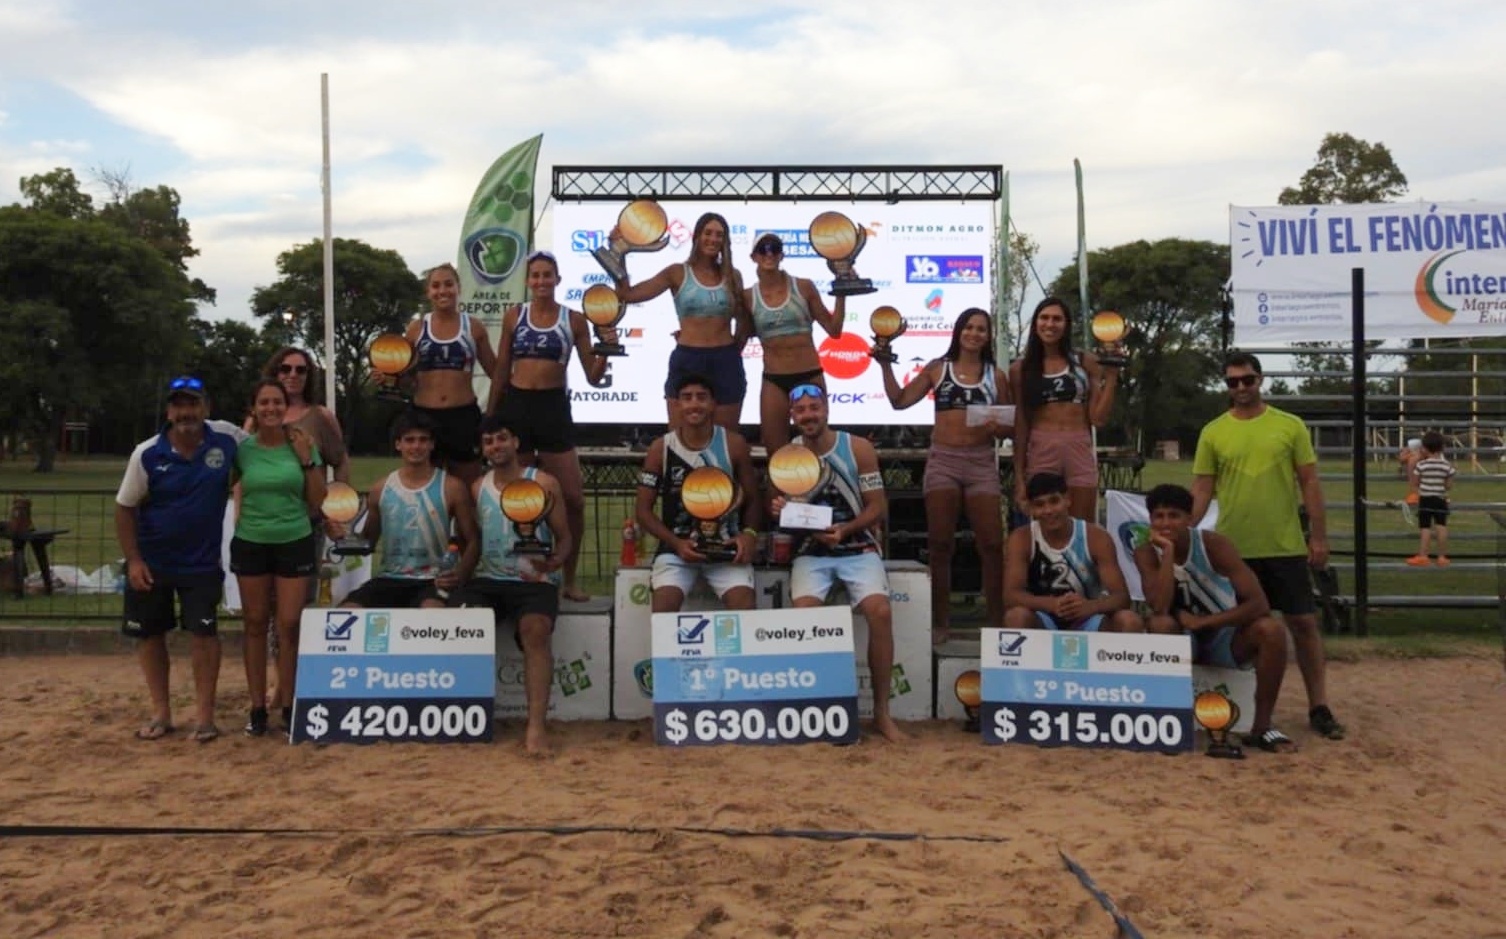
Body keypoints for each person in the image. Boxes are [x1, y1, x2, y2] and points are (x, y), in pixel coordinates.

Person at [1192, 352, 1345, 741]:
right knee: (1249, 630)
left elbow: (1309, 482)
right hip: (1234, 549)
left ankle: (1319, 705)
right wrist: (1183, 533)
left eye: (1247, 379)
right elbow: (1202, 488)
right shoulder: (1213, 432)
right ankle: (1252, 713)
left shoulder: (1289, 425)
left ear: (1260, 380)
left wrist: (1319, 535)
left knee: (1304, 625)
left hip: (1284, 544)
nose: (1241, 387)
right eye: (1232, 382)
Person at [769, 384, 906, 742]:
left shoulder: (857, 448)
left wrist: (846, 530)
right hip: (811, 550)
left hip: (858, 545)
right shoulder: (788, 457)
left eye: (814, 407)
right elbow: (789, 515)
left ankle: (881, 713)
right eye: (801, 410)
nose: (808, 415)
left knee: (880, 611)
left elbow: (877, 507)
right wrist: (782, 510)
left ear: (827, 409)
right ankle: (817, 709)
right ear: (792, 416)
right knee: (805, 617)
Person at [115, 377, 241, 744]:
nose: (186, 412)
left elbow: (266, 446)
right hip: (152, 562)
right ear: (169, 412)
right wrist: (134, 560)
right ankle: (161, 713)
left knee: (204, 635)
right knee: (150, 635)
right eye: (178, 406)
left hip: (201, 563)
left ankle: (205, 718)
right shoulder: (146, 453)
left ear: (206, 408)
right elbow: (124, 508)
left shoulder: (227, 440)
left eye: (193, 404)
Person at [878, 308, 1012, 643]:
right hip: (944, 461)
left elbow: (1011, 423)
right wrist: (884, 365)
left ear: (988, 336)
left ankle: (997, 623)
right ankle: (940, 622)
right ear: (958, 331)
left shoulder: (996, 376)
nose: (974, 334)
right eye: (969, 327)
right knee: (940, 544)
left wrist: (999, 427)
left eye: (981, 329)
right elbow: (899, 401)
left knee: (992, 545)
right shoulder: (939, 368)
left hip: (981, 463)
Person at [486, 250, 613, 601]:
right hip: (518, 407)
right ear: (528, 281)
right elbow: (501, 369)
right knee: (518, 496)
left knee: (573, 499)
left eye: (547, 275)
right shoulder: (515, 316)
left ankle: (569, 579)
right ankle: (515, 574)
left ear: (558, 279)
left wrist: (607, 347)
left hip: (553, 409)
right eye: (536, 275)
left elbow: (593, 376)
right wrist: (491, 416)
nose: (541, 281)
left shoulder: (574, 320)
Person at [1134, 484, 1294, 753]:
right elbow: (1159, 607)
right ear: (1150, 520)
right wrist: (1168, 554)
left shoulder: (1214, 545)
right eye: (1159, 516)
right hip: (1183, 640)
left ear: (1189, 518)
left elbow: (1259, 604)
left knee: (1272, 630)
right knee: (1160, 624)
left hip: (1224, 635)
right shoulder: (1146, 552)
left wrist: (1206, 622)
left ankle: (1262, 727)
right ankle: (1170, 722)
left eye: (1174, 516)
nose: (1166, 523)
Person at [452, 414, 572, 754]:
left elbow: (565, 537)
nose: (496, 446)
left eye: (502, 438)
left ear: (516, 442)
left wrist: (555, 562)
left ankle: (535, 727)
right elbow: (473, 542)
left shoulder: (544, 483)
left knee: (536, 630)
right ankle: (464, 715)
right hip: (489, 579)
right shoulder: (478, 488)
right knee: (456, 620)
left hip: (534, 580)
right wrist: (458, 575)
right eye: (489, 441)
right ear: (483, 449)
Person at [232, 379, 326, 737]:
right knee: (255, 623)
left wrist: (305, 461)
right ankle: (257, 708)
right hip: (251, 541)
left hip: (294, 540)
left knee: (289, 624)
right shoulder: (242, 450)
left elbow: (317, 498)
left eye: (277, 402)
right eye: (264, 402)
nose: (271, 408)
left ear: (286, 407)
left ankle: (289, 705)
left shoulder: (302, 443)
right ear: (254, 408)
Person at [636, 374, 762, 614]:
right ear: (677, 405)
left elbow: (753, 499)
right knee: (663, 608)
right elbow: (643, 511)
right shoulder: (661, 448)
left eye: (702, 397)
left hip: (725, 547)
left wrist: (748, 535)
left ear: (713, 404)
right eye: (687, 397)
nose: (694, 404)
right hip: (677, 550)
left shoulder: (733, 444)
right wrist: (676, 543)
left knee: (744, 606)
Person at [614, 211, 752, 430]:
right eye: (708, 233)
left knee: (725, 437)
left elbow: (743, 321)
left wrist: (733, 351)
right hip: (688, 359)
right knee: (680, 438)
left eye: (719, 235)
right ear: (697, 236)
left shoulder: (733, 276)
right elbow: (628, 295)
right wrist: (619, 253)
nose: (713, 239)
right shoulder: (677, 273)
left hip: (725, 360)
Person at [336, 411, 479, 607]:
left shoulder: (451, 487)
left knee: (431, 612)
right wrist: (342, 537)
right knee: (349, 611)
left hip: (433, 580)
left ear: (432, 444)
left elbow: (473, 540)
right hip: (390, 578)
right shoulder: (381, 489)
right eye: (409, 440)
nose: (416, 446)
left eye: (423, 440)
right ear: (398, 444)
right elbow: (367, 543)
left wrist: (460, 574)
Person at [1009, 297, 1120, 521]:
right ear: (1035, 323)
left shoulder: (1084, 361)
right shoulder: (1021, 368)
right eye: (1044, 318)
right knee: (1045, 520)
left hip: (1078, 444)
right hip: (1042, 446)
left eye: (1057, 319)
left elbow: (1098, 419)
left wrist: (1111, 377)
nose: (1050, 324)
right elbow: (1020, 424)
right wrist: (1019, 479)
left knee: (1082, 523)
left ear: (1067, 325)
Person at [743, 232, 845, 453]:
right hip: (774, 379)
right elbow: (739, 337)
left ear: (782, 255)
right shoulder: (748, 296)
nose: (769, 254)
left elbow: (834, 330)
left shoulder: (804, 287)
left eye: (775, 249)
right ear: (753, 256)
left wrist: (842, 291)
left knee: (819, 448)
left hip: (809, 372)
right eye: (763, 249)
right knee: (775, 452)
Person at [1003, 472, 1142, 633]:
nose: (1048, 510)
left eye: (1054, 501)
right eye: (1039, 505)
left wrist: (1090, 606)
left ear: (1067, 499)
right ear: (1031, 509)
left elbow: (1122, 598)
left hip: (1089, 618)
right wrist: (1051, 604)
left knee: (1129, 620)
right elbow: (1011, 596)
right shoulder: (1022, 539)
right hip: (1043, 618)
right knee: (1016, 616)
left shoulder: (1096, 537)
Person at [403, 262, 498, 484]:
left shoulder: (473, 327)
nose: (442, 291)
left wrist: (491, 413)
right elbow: (405, 380)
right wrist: (389, 377)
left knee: (467, 489)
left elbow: (496, 374)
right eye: (436, 286)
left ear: (458, 288)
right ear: (428, 292)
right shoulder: (416, 329)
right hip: (424, 416)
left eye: (448, 284)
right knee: (425, 487)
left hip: (462, 417)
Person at [1409, 430, 1456, 567]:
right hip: (1440, 499)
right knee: (1441, 526)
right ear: (1441, 448)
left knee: (1425, 527)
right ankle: (1442, 557)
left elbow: (1415, 482)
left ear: (1424, 448)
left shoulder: (1421, 465)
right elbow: (1448, 486)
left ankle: (1423, 556)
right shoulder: (1447, 466)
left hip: (1425, 499)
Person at [1398, 437, 1424, 506]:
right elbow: (1402, 459)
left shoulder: (1414, 457)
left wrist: (1405, 452)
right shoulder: (1417, 455)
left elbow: (1401, 458)